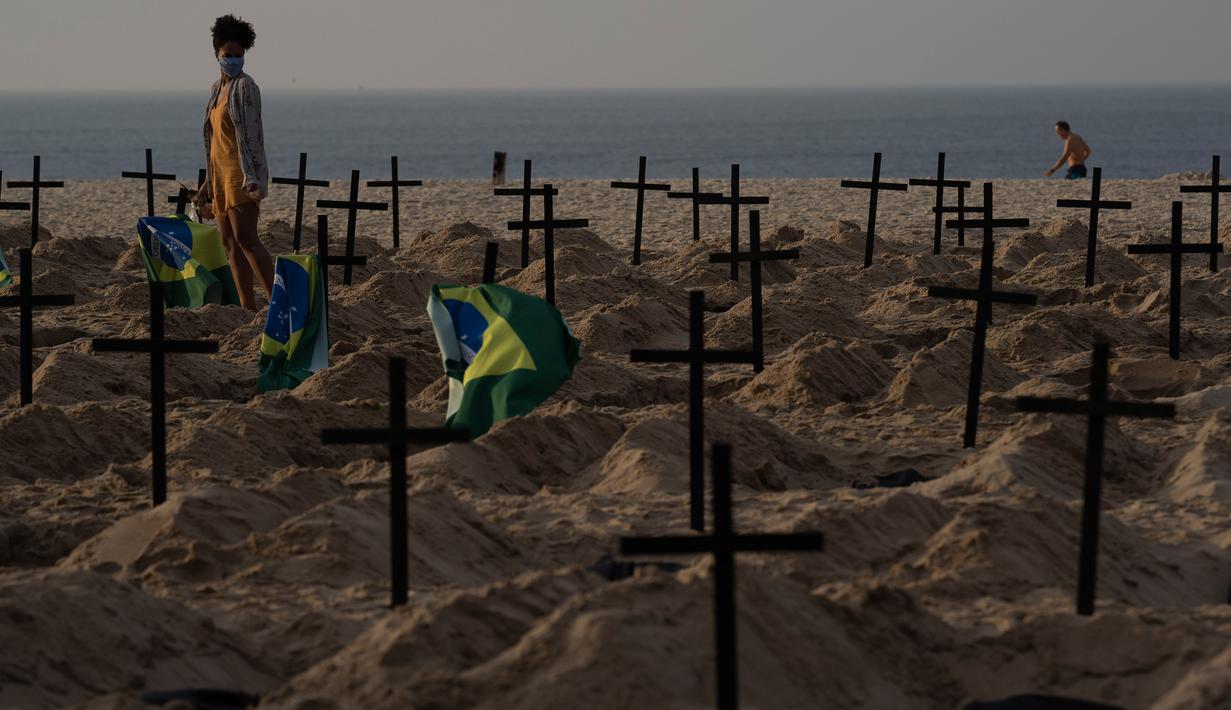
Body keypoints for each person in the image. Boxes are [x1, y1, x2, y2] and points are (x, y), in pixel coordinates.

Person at [193, 14, 273, 310]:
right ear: (217, 54)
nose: (234, 60)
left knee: (247, 238)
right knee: (229, 244)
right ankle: (247, 308)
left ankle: (278, 303)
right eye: (229, 55)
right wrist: (206, 185)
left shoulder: (246, 88)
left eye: (239, 55)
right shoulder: (216, 90)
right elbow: (215, 143)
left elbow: (253, 139)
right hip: (220, 178)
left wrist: (254, 179)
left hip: (242, 175)